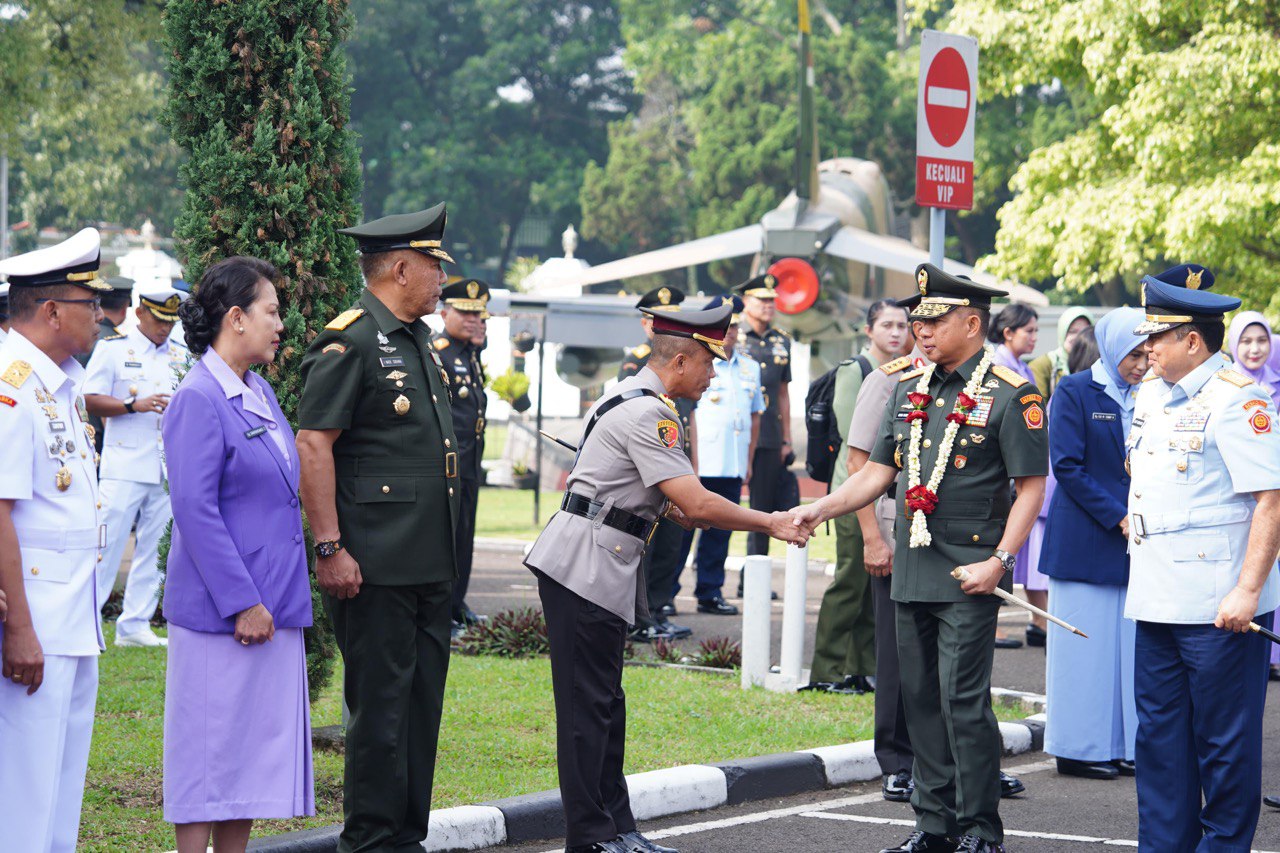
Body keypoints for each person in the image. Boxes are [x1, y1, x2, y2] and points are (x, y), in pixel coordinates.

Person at [524, 300, 809, 853]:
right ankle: (592, 838)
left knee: (605, 704)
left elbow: (666, 499)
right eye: (709, 363)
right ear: (681, 361)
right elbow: (696, 505)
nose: (712, 377)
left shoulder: (625, 395)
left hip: (595, 559)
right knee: (589, 710)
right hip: (586, 564)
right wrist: (770, 521)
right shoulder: (651, 414)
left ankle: (619, 830)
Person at [792, 264, 1048, 853]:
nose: (922, 331)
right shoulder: (909, 387)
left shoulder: (1013, 395)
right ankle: (932, 824)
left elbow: (1030, 487)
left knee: (962, 700)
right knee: (921, 701)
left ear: (973, 322)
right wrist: (820, 510)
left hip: (970, 574)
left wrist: (1001, 562)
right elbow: (877, 474)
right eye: (917, 321)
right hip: (913, 568)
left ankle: (980, 827)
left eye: (934, 320)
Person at [296, 204, 460, 853]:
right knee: (380, 713)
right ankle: (369, 841)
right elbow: (314, 444)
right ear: (400, 267)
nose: (442, 279)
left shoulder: (418, 338)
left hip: (428, 558)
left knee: (420, 710)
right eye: (434, 266)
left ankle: (405, 837)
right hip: (375, 563)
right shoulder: (353, 338)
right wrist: (329, 546)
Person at [162, 256, 314, 853]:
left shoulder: (259, 389)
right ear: (235, 318)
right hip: (222, 614)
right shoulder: (199, 397)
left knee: (248, 764)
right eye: (272, 312)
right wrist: (243, 602)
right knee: (208, 756)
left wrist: (268, 602)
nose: (282, 324)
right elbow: (195, 512)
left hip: (272, 606)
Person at [1125, 264, 1280, 852]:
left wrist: (1247, 591)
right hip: (1158, 597)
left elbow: (1270, 499)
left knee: (1224, 745)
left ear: (1192, 339)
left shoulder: (1240, 400)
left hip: (1219, 605)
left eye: (1156, 338)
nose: (1147, 350)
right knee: (1160, 745)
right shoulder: (1151, 395)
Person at [0, 228, 112, 853]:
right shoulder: (13, 384)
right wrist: (18, 629)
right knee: (23, 790)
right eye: (87, 304)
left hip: (71, 619)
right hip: (34, 620)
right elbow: (2, 510)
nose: (99, 317)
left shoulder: (60, 381)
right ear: (49, 311)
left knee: (60, 787)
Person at [1039, 308, 1146, 781]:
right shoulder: (1074, 390)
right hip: (1087, 536)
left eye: (1148, 354)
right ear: (1112, 348)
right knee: (1083, 652)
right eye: (1134, 355)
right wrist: (1117, 515)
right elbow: (1067, 467)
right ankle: (1077, 749)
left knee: (1130, 652)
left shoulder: (1153, 396)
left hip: (1136, 539)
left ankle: (1123, 746)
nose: (1142, 364)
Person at [806, 299, 910, 694]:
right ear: (869, 330)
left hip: (882, 495)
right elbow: (857, 449)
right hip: (853, 495)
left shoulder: (903, 373)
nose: (897, 332)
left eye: (902, 325)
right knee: (849, 583)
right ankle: (826, 670)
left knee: (874, 587)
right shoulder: (857, 371)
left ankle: (861, 668)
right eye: (887, 324)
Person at [84, 287, 187, 648]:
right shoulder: (114, 348)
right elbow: (90, 398)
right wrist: (133, 405)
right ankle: (86, 620)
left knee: (155, 548)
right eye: (159, 320)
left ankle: (135, 625)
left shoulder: (180, 354)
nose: (164, 328)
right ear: (141, 312)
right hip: (125, 462)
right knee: (105, 544)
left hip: (163, 464)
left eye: (170, 322)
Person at [617, 287, 696, 639]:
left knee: (671, 544)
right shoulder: (639, 363)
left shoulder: (686, 361)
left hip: (678, 460)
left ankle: (660, 608)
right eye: (661, 321)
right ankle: (640, 618)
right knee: (648, 543)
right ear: (647, 325)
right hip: (652, 467)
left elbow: (688, 422)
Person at [690, 294, 764, 616]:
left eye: (734, 325)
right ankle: (663, 594)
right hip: (702, 462)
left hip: (732, 462)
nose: (730, 331)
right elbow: (688, 413)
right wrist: (690, 462)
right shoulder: (699, 363)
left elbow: (754, 416)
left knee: (721, 532)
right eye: (724, 325)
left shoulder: (749, 367)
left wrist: (747, 460)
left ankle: (710, 591)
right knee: (681, 533)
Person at [433, 278, 489, 633]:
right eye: (465, 314)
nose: (474, 321)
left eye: (479, 315)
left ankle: (457, 603)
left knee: (464, 536)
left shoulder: (469, 354)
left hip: (469, 464)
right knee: (446, 541)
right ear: (444, 312)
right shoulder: (438, 351)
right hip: (447, 467)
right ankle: (442, 611)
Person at [988, 302, 1042, 648]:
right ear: (1008, 333)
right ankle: (988, 623)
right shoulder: (997, 365)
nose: (1035, 337)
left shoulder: (1023, 367)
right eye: (1029, 331)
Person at [736, 273, 794, 563]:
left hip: (769, 433)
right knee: (719, 503)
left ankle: (754, 574)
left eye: (772, 300)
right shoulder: (734, 336)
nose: (769, 305)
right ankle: (706, 582)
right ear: (746, 301)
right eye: (762, 299)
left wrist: (787, 439)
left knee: (764, 507)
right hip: (737, 431)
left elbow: (783, 393)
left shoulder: (782, 340)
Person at [1028, 307, 1093, 400]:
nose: (1078, 337)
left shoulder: (1096, 365)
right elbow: (1038, 407)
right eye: (1072, 331)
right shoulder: (1043, 365)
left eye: (1084, 332)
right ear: (1062, 332)